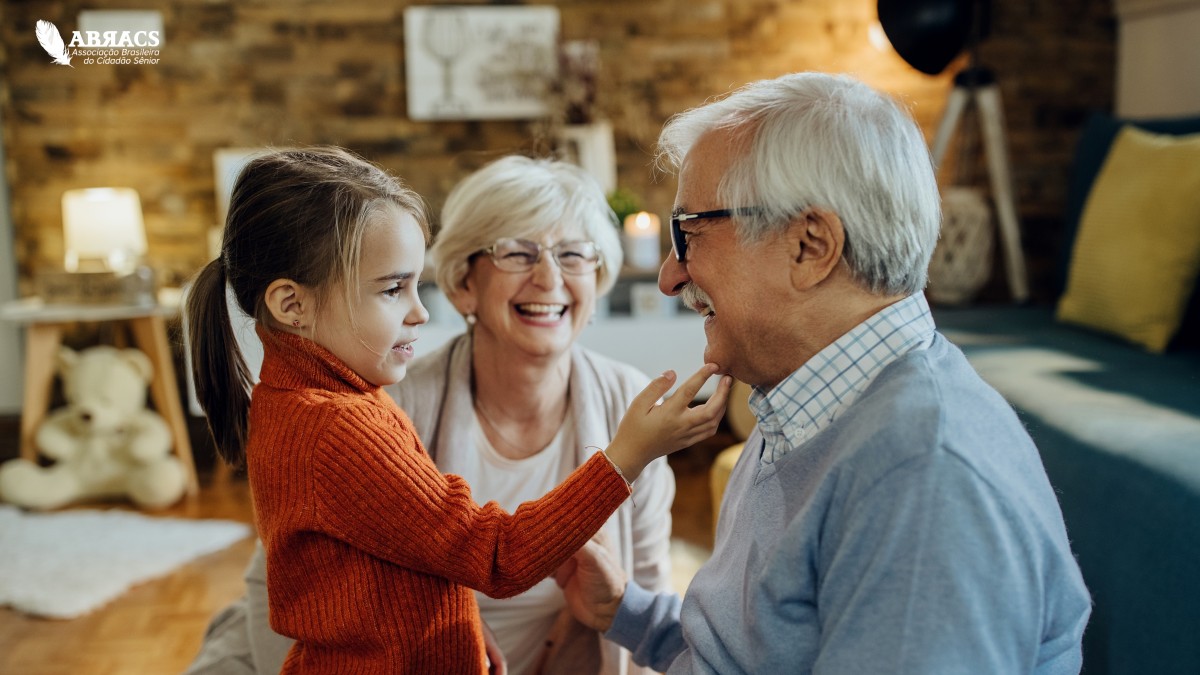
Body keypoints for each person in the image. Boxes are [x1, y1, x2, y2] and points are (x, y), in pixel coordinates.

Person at [553, 72, 1093, 673]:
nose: (670, 276)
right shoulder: (802, 401)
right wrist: (626, 611)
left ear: (810, 246)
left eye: (691, 232)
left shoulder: (923, 477)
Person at [185, 147, 731, 673]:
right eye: (517, 253)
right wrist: (625, 456)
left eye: (573, 254)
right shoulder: (363, 411)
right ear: (465, 286)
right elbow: (487, 555)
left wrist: (452, 618)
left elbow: (646, 596)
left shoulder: (629, 401)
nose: (549, 278)